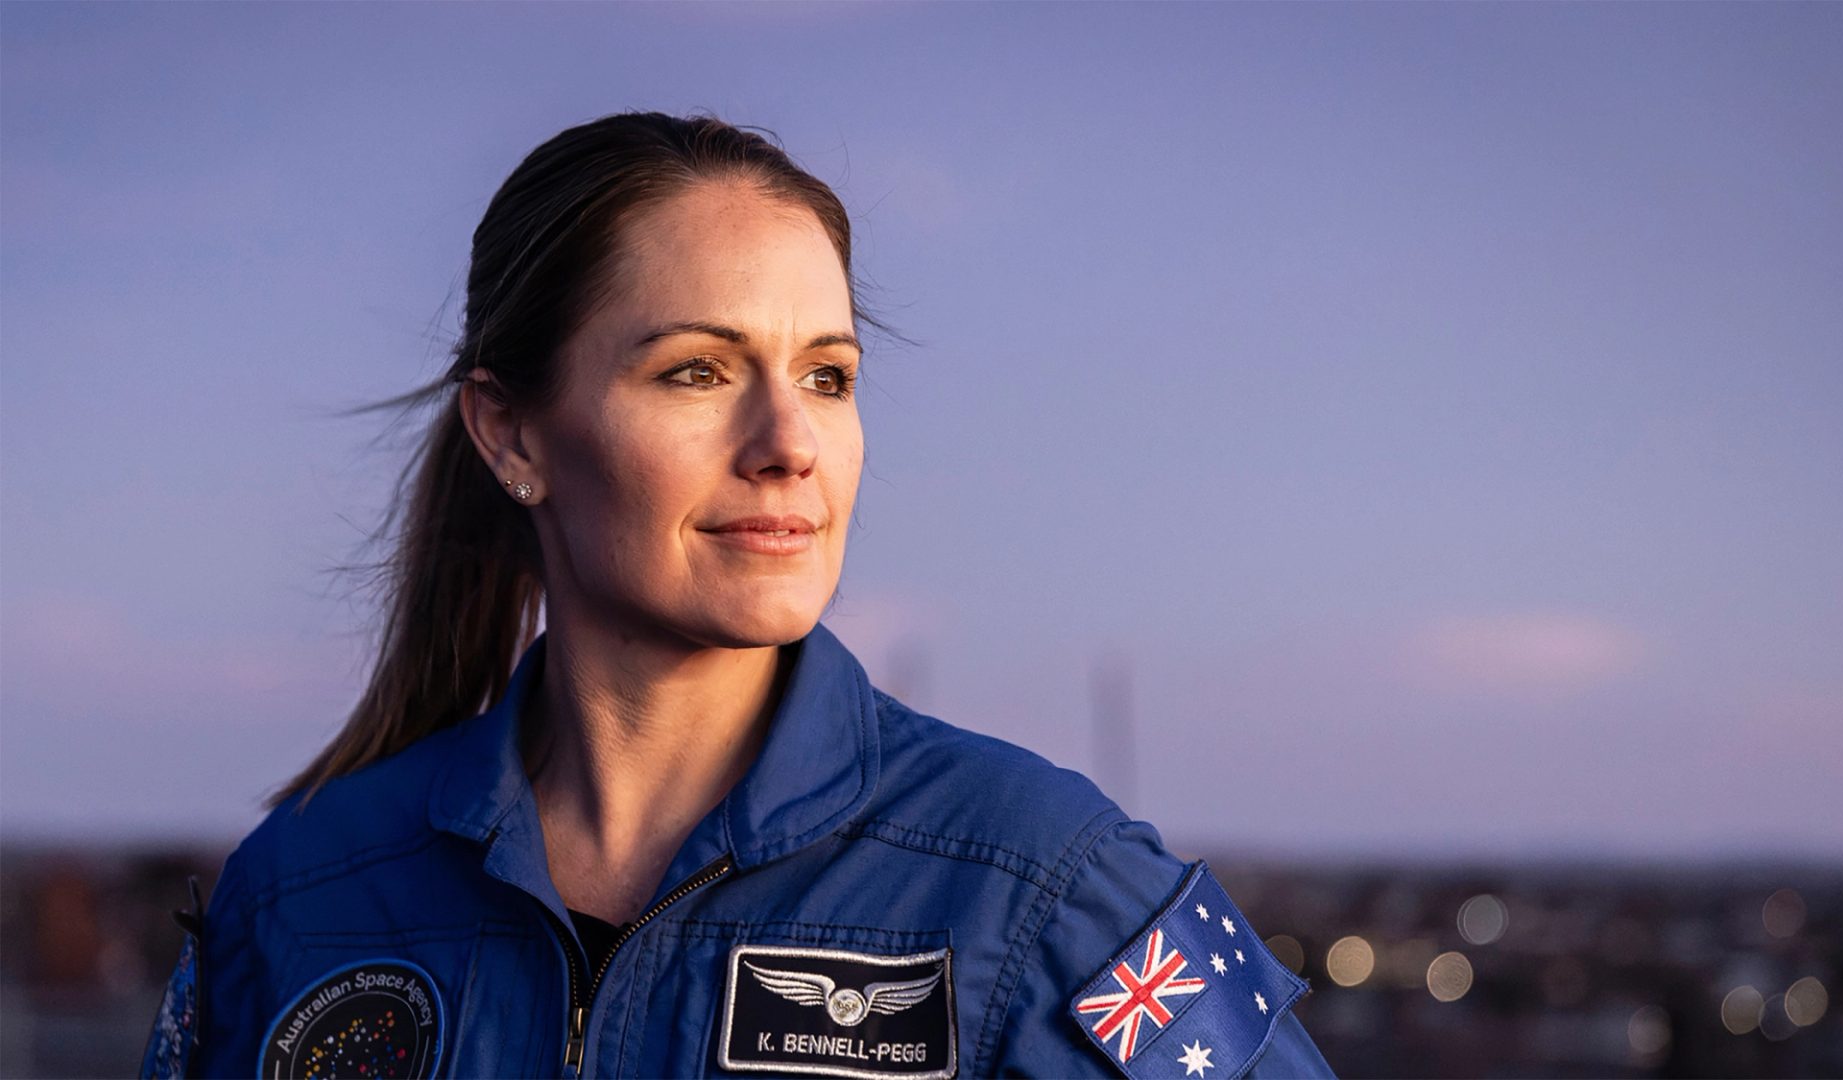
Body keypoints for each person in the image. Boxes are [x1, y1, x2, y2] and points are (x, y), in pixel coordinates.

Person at [139, 111, 1338, 1079]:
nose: (787, 444)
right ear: (511, 434)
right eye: (697, 372)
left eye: (828, 377)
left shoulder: (1041, 887)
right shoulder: (301, 894)